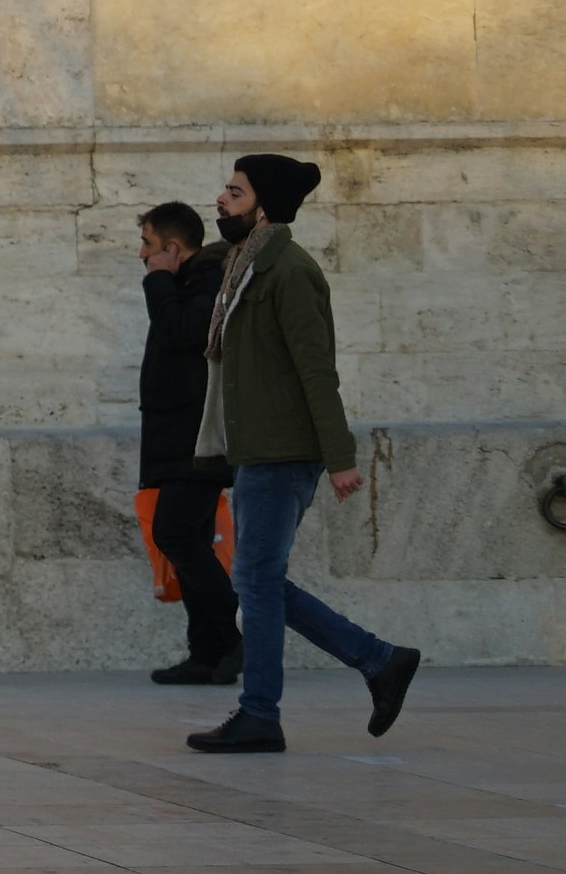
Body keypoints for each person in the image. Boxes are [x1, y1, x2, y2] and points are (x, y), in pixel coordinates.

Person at [186, 153, 421, 754]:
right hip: (258, 450)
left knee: (257, 583)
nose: (220, 199)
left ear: (263, 206)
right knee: (259, 581)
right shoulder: (246, 268)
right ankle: (380, 660)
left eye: (234, 193)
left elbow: (317, 370)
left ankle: (261, 712)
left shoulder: (288, 272)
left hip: (284, 451)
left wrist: (340, 457)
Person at [133, 200, 239, 687]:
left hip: (199, 440)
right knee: (188, 539)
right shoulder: (189, 281)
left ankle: (235, 635)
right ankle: (207, 652)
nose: (143, 255)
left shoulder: (209, 280)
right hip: (178, 438)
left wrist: (158, 280)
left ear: (173, 248)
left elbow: (181, 332)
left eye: (149, 246)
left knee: (175, 534)